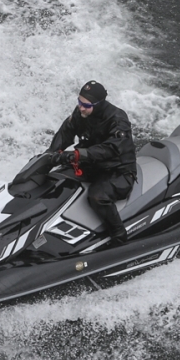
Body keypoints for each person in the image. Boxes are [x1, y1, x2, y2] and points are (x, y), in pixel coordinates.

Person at [47, 81, 136, 244]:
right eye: (79, 102)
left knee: (98, 196)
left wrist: (76, 155)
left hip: (117, 170)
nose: (81, 108)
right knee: (54, 178)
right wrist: (50, 154)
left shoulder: (118, 119)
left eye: (86, 105)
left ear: (100, 104)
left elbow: (111, 149)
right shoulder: (81, 113)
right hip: (91, 164)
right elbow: (65, 132)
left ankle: (119, 235)